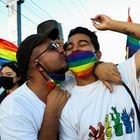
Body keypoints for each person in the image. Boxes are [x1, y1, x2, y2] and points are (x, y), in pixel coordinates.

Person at [59, 26, 140, 140]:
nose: (75, 49)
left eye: (82, 44)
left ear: (97, 55)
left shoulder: (121, 73)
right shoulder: (65, 98)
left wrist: (110, 24)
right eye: (69, 47)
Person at [0, 28, 71, 140]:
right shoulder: (14, 107)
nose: (62, 50)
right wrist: (52, 112)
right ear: (38, 66)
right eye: (52, 48)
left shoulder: (68, 85)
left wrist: (98, 67)